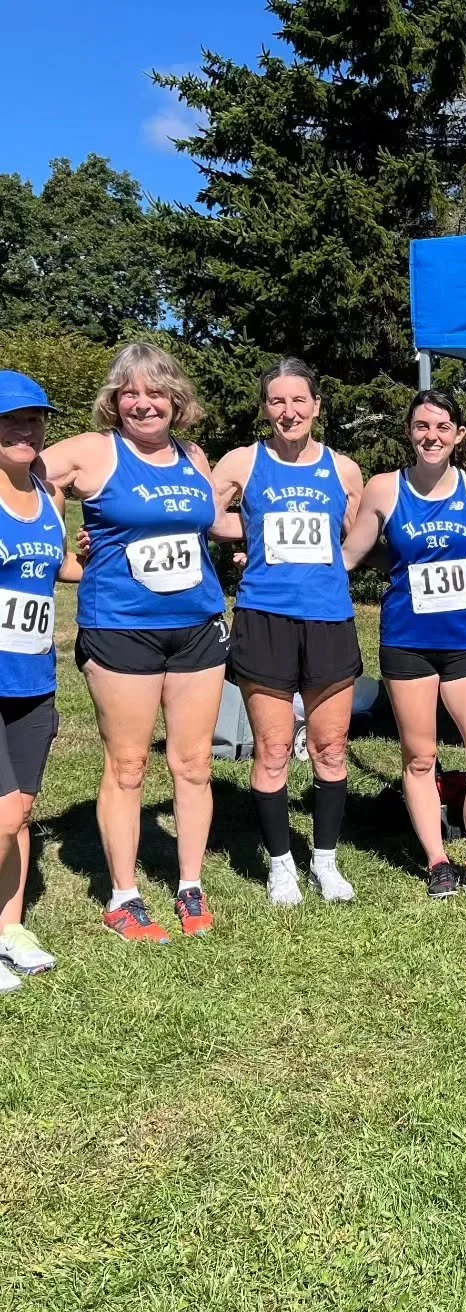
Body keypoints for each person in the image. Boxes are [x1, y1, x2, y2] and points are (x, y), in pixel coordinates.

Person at [40, 343, 231, 942]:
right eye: (131, 393)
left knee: (194, 763)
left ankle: (190, 884)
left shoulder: (195, 455)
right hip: (122, 627)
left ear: (176, 400)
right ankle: (124, 896)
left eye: (155, 392)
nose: (143, 404)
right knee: (128, 765)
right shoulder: (94, 451)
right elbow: (20, 473)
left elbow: (210, 526)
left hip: (198, 624)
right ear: (114, 401)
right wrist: (57, 544)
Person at [341, 390, 466, 904]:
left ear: (458, 435)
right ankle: (438, 861)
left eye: (441, 427)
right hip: (407, 642)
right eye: (421, 426)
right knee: (420, 757)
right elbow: (348, 556)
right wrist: (270, 555)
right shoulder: (384, 489)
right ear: (409, 433)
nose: (430, 436)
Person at [209, 359, 364, 906]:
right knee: (273, 751)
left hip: (328, 620)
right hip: (264, 619)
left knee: (331, 747)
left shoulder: (344, 470)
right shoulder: (243, 462)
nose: (289, 411)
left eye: (299, 400)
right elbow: (203, 514)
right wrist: (244, 533)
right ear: (265, 407)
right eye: (277, 401)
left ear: (317, 406)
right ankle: (280, 866)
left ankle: (325, 861)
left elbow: (361, 535)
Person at [0, 374, 81, 989]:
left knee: (22, 811)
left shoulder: (50, 496)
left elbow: (55, 569)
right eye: (11, 420)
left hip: (34, 676)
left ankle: (11, 925)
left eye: (34, 419)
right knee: (3, 815)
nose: (25, 431)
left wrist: (94, 553)